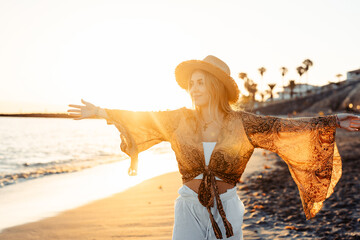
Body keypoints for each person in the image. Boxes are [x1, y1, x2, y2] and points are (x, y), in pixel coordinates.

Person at [68, 55, 360, 240]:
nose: (194, 89)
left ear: (215, 86)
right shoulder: (179, 120)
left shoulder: (244, 123)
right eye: (191, 83)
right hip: (188, 208)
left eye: (200, 82)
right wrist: (101, 112)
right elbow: (142, 118)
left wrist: (334, 120)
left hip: (228, 209)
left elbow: (282, 126)